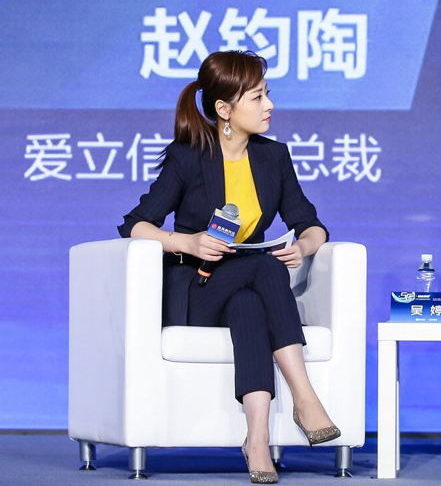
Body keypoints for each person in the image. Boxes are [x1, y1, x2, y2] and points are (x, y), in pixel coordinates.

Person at [118, 51, 339, 484]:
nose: (269, 105)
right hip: (197, 288)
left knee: (249, 304)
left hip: (244, 286)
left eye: (267, 94)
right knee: (266, 270)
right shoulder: (189, 157)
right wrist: (186, 242)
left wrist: (302, 246)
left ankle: (256, 441)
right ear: (224, 109)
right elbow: (135, 224)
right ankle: (305, 397)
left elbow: (312, 225)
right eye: (257, 97)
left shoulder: (274, 157)